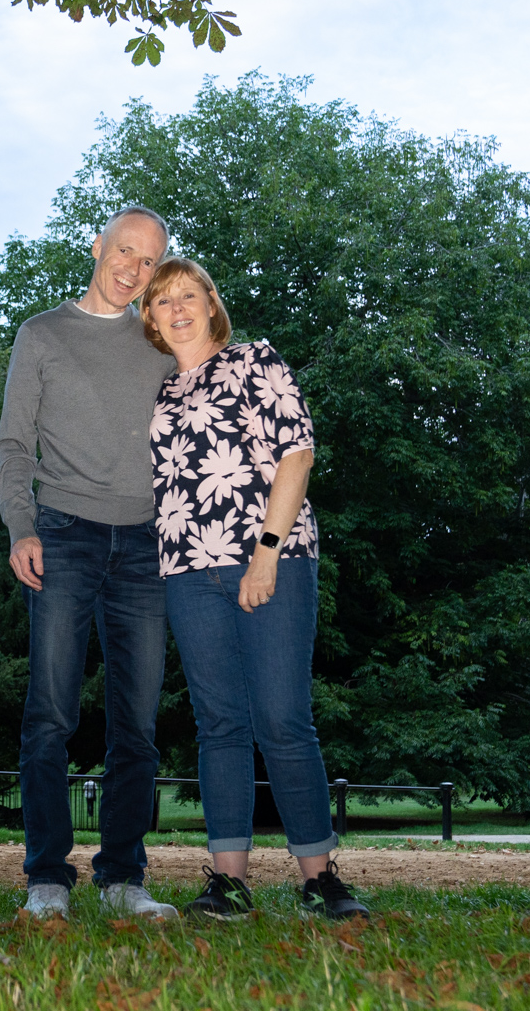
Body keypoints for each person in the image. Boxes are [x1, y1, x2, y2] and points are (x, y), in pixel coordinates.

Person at [139, 256, 369, 922]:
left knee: (282, 718)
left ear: (212, 305)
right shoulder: (156, 391)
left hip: (272, 556)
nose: (177, 308)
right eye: (162, 301)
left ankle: (320, 879)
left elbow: (297, 452)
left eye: (189, 295)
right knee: (220, 725)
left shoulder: (253, 361)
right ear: (149, 320)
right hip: (185, 567)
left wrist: (265, 553)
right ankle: (228, 882)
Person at [0, 205, 181, 921]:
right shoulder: (41, 334)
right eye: (124, 250)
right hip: (64, 534)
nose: (132, 267)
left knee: (136, 724)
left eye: (148, 260)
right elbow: (14, 445)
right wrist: (22, 527)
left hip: (146, 545)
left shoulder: (163, 341)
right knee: (51, 715)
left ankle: (123, 878)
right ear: (98, 245)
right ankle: (47, 877)